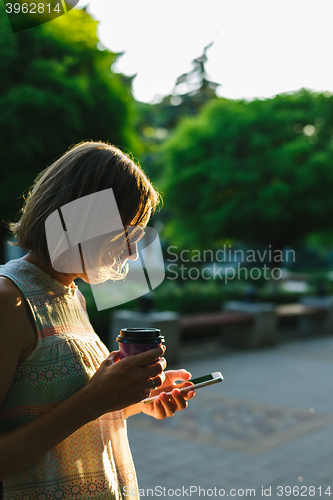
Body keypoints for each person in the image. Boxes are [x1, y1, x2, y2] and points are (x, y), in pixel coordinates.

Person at [0, 141, 195, 500]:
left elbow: (67, 413)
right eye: (127, 232)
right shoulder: (8, 299)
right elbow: (83, 405)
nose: (132, 250)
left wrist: (138, 398)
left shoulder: (71, 294)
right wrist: (95, 399)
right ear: (82, 220)